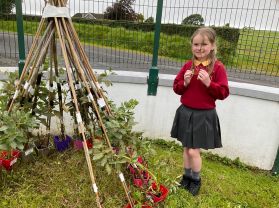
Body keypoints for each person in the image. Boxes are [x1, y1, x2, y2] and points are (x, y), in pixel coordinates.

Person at [171, 27, 229, 196]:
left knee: (193, 151)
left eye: (204, 44)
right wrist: (186, 82)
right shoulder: (188, 66)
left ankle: (196, 180)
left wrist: (209, 84)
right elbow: (177, 88)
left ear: (212, 45)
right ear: (192, 46)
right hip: (185, 112)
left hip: (203, 115)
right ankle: (186, 177)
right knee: (186, 149)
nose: (199, 48)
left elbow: (224, 93)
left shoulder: (217, 68)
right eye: (196, 44)